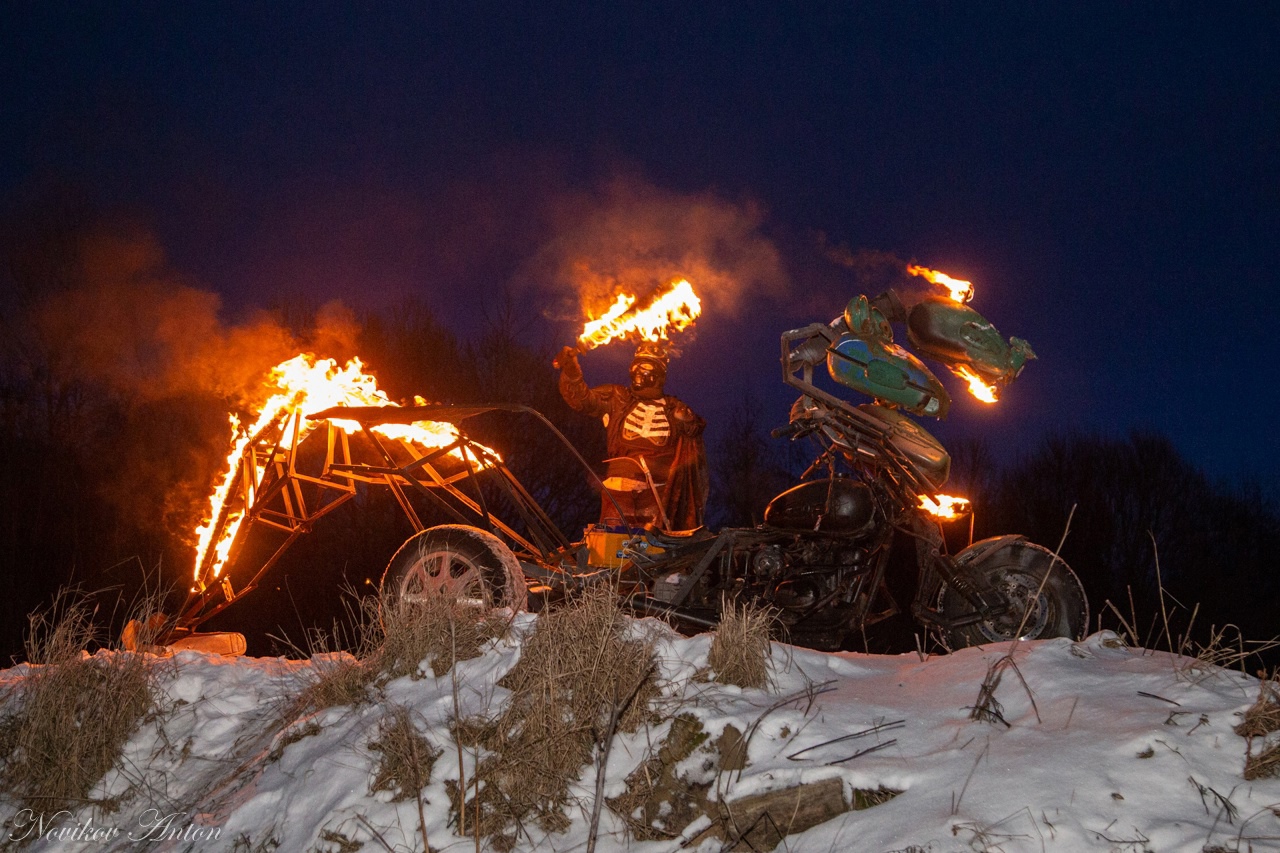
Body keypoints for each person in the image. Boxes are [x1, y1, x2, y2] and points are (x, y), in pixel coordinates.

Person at [556, 341, 708, 531]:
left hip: (656, 492)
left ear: (659, 374)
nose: (637, 371)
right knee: (612, 538)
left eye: (644, 367)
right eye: (635, 365)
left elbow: (695, 431)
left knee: (652, 546)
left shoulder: (673, 408)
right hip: (619, 488)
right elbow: (582, 399)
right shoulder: (617, 397)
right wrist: (572, 372)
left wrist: (686, 419)